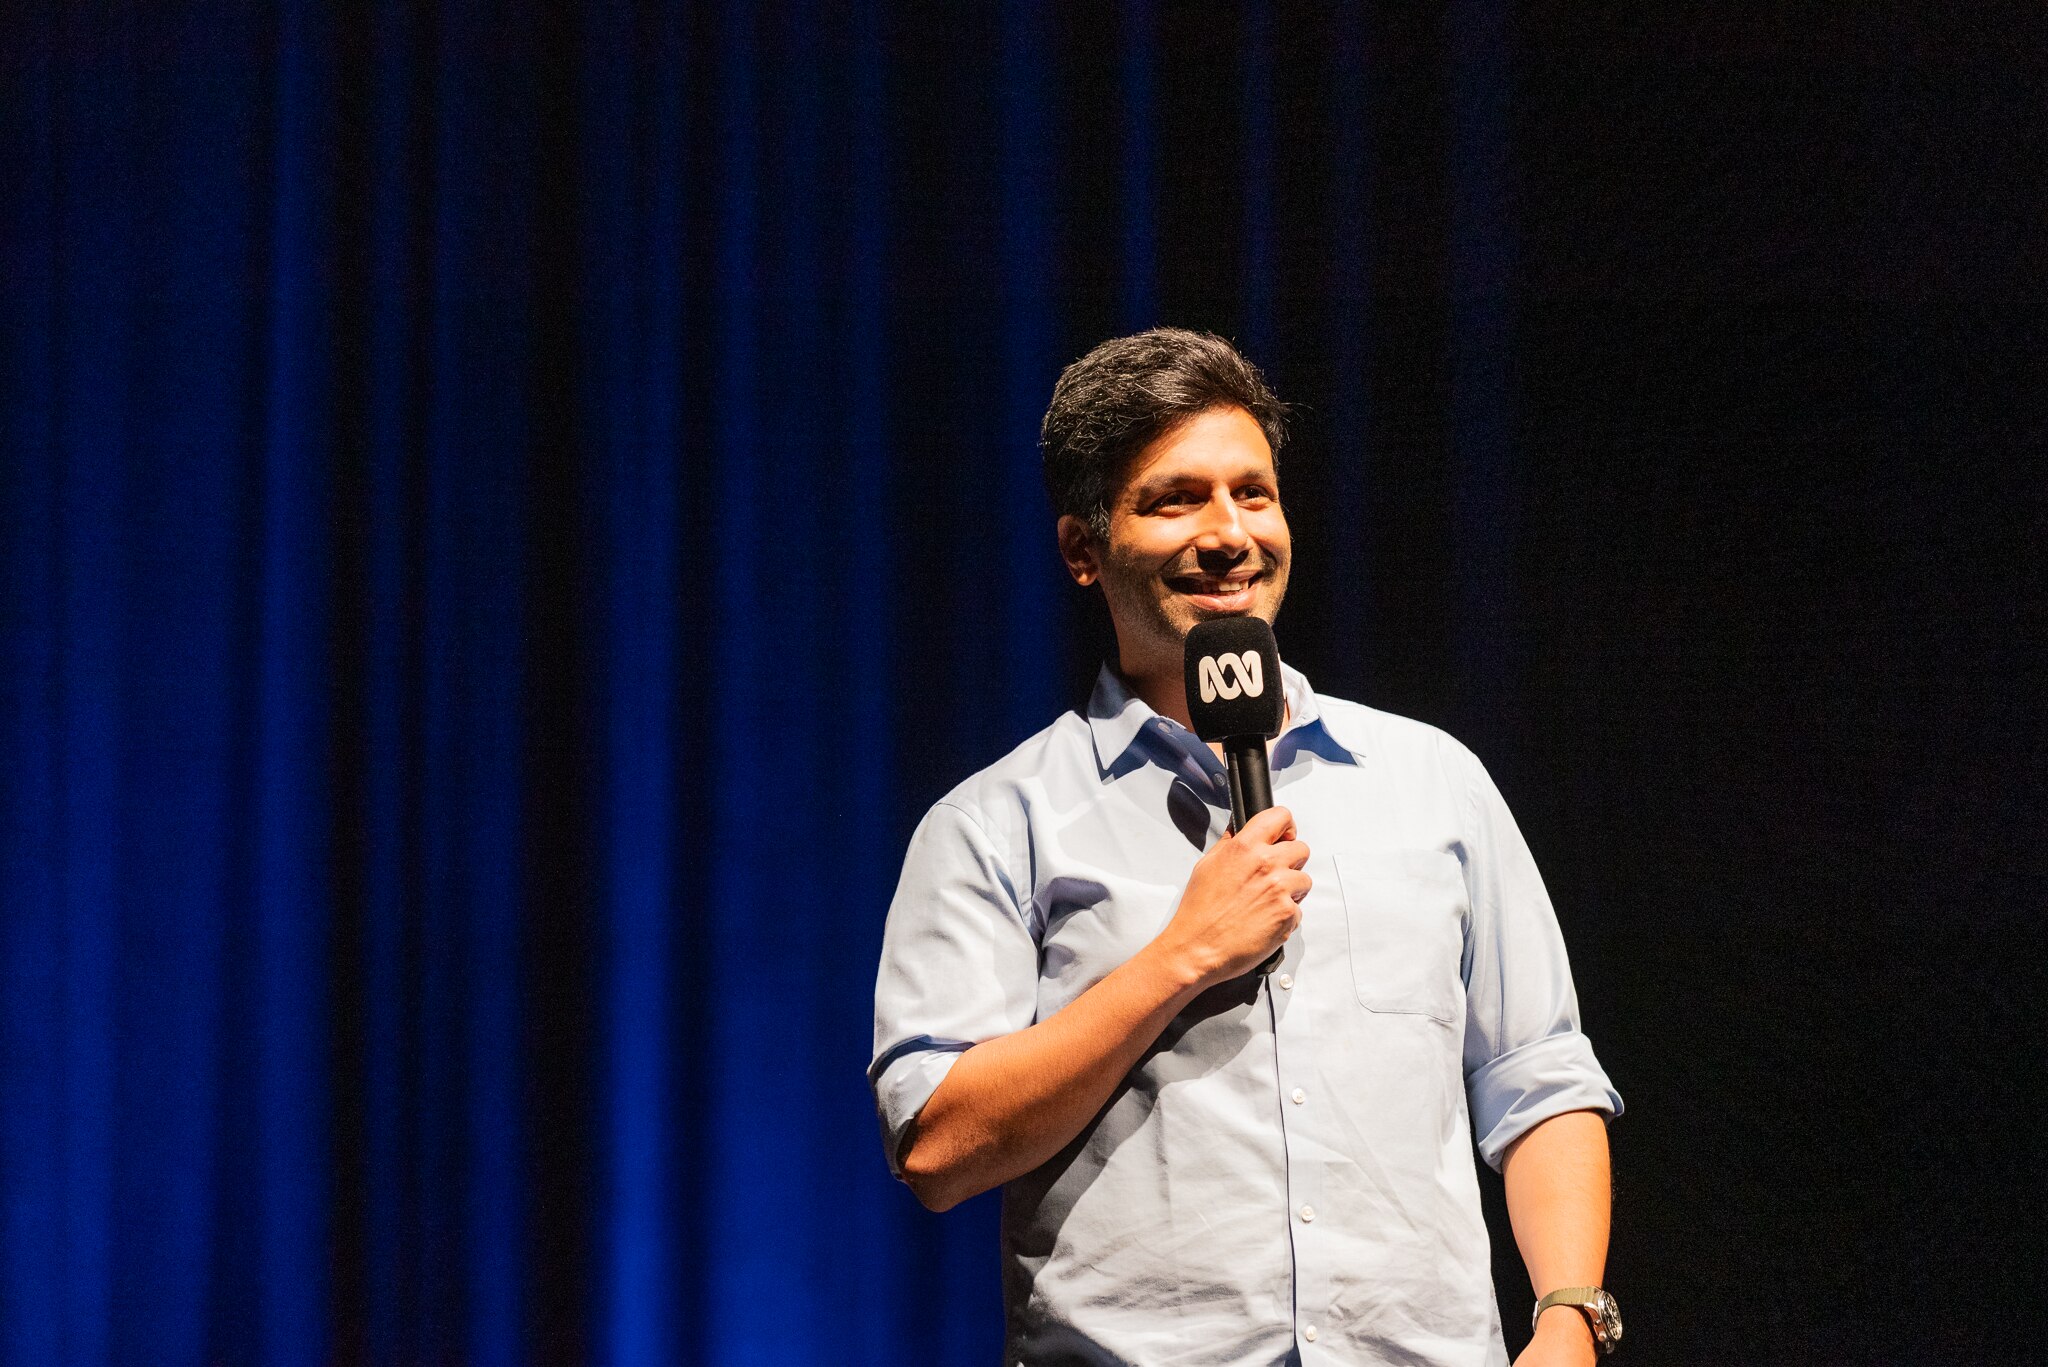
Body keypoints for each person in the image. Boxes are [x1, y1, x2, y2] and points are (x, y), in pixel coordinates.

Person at [869, 328, 1623, 1366]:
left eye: (1251, 493)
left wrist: (1568, 1317)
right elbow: (939, 1146)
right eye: (1174, 498)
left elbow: (1536, 1077)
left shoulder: (1429, 780)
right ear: (1080, 549)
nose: (1228, 533)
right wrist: (1179, 956)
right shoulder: (996, 823)